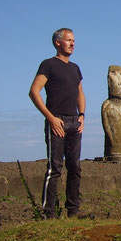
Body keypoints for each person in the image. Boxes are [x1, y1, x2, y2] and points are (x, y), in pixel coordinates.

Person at [29, 28, 86, 219]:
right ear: (58, 42)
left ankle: (73, 211)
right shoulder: (48, 65)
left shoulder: (75, 68)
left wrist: (82, 115)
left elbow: (80, 93)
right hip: (57, 121)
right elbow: (34, 92)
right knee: (55, 169)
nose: (72, 43)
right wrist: (50, 117)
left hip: (74, 122)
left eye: (74, 40)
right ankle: (48, 214)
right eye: (69, 40)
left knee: (75, 167)